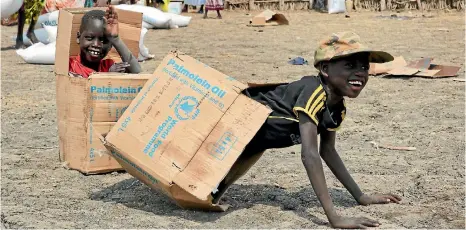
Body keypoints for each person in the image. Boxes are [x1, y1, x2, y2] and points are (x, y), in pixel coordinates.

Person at [211, 31, 402, 229]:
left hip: (258, 140)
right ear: (325, 69)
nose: (360, 72)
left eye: (364, 66)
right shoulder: (313, 91)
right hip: (230, 118)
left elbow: (327, 151)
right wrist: (334, 218)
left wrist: (361, 197)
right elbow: (309, 154)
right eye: (350, 65)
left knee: (212, 191)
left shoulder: (337, 108)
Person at [68, 6, 141, 78]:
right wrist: (105, 76)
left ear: (111, 45)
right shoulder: (70, 65)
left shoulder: (109, 66)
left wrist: (115, 39)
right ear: (78, 37)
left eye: (103, 40)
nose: (96, 44)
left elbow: (136, 71)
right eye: (89, 38)